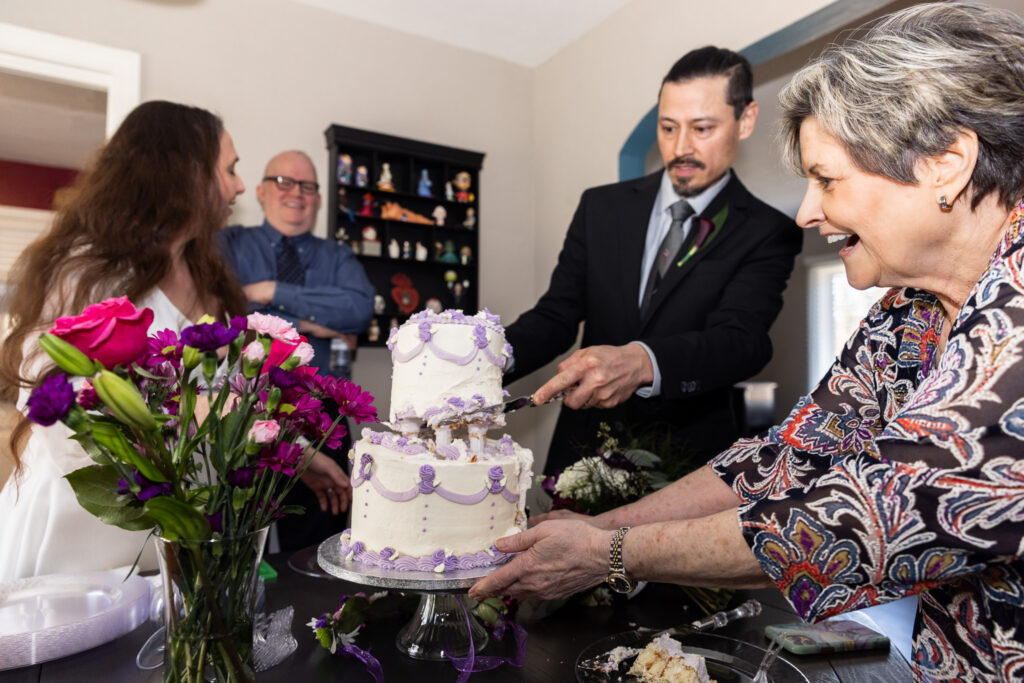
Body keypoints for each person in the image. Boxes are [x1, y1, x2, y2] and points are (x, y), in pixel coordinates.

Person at [473, 3, 1024, 679]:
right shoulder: (909, 310)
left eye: (826, 179)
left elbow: (843, 525)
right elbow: (786, 459)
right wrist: (600, 527)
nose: (807, 211)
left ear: (947, 164)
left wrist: (608, 553)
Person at [0, 101, 349, 581]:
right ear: (182, 174)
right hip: (96, 532)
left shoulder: (207, 270)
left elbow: (228, 394)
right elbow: (54, 410)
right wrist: (207, 425)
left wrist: (298, 454)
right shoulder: (87, 271)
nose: (240, 186)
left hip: (195, 527)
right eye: (229, 169)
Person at [504, 47, 802, 474]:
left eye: (702, 128)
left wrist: (645, 361)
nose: (681, 148)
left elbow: (742, 340)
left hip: (685, 461)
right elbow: (557, 315)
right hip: (582, 449)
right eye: (667, 128)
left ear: (746, 118)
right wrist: (486, 358)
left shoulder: (767, 230)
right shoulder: (600, 207)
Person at [219, 150, 374, 551]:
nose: (296, 193)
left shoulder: (337, 256)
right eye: (283, 182)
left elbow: (357, 311)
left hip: (323, 417)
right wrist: (312, 322)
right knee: (237, 545)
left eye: (307, 186)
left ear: (319, 198)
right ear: (260, 191)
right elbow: (222, 313)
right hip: (241, 410)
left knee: (322, 550)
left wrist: (269, 293)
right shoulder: (230, 243)